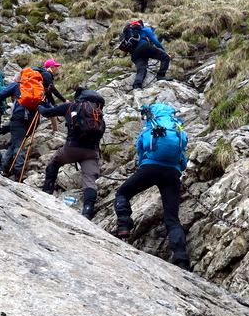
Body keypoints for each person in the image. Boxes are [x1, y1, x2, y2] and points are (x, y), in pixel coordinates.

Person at [114, 103, 190, 270]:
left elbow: (141, 153)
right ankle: (181, 258)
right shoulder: (177, 129)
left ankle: (124, 225)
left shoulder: (150, 127)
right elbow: (183, 160)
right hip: (172, 174)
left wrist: (145, 167)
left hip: (150, 168)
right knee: (172, 218)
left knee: (123, 193)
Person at [38, 88, 106, 218]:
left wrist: (39, 106)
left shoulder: (71, 106)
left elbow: (47, 113)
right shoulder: (98, 112)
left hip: (72, 148)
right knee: (90, 180)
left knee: (54, 162)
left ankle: (47, 192)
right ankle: (87, 210)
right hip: (91, 152)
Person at [0, 66, 46, 180]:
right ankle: (5, 169)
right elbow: (46, 105)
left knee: (18, 145)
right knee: (15, 143)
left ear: (20, 78)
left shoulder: (16, 86)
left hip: (18, 118)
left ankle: (19, 173)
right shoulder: (38, 88)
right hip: (33, 119)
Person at [124, 19, 170, 90]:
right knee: (165, 57)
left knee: (141, 69)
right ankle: (161, 76)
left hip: (135, 54)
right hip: (144, 46)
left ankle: (137, 86)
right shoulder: (146, 29)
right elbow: (155, 41)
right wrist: (164, 51)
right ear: (142, 25)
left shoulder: (130, 34)